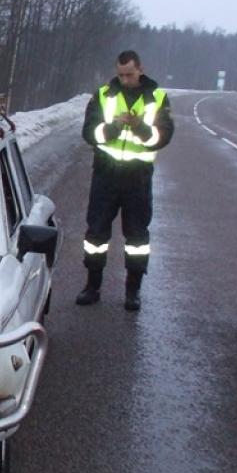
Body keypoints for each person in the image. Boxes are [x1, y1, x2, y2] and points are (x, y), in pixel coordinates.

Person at [76, 50, 174, 311]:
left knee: (137, 239)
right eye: (120, 75)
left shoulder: (158, 98)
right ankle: (92, 286)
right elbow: (89, 132)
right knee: (96, 234)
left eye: (129, 74)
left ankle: (133, 291)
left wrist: (140, 127)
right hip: (106, 174)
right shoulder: (103, 94)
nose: (125, 79)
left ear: (140, 69)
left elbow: (162, 137)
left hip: (138, 177)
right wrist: (114, 128)